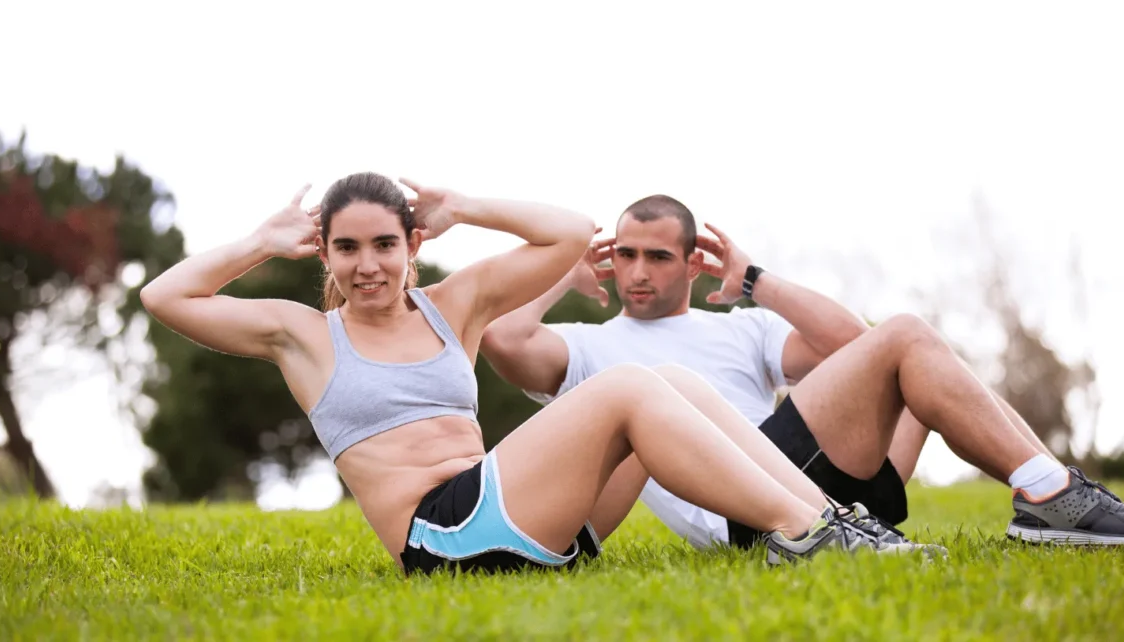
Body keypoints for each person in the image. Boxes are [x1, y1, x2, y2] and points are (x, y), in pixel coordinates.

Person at [139, 173, 927, 577]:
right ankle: (805, 537)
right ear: (328, 255)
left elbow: (570, 234)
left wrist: (468, 205)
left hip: (531, 521)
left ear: (412, 244)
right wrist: (264, 240)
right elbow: (164, 295)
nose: (369, 265)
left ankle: (834, 522)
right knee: (621, 384)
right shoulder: (304, 336)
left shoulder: (453, 306)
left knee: (672, 381)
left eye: (385, 244)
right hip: (444, 539)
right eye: (348, 248)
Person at [480, 194, 1124, 549]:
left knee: (908, 350)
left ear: (694, 263)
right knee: (906, 337)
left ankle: (1050, 490)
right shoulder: (589, 348)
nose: (636, 271)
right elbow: (504, 340)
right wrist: (561, 271)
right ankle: (1051, 495)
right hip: (748, 504)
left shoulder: (743, 327)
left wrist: (753, 279)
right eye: (623, 255)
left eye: (656, 256)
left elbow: (851, 344)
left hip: (826, 482)